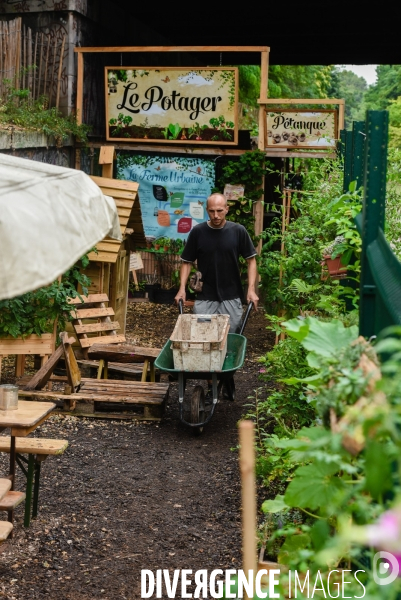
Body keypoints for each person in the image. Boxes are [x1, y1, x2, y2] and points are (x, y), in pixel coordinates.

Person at [174, 193, 259, 333]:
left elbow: (251, 261)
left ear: (227, 209)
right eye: (212, 211)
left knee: (229, 335)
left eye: (219, 211)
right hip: (205, 297)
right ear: (207, 210)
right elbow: (186, 262)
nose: (216, 215)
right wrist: (182, 289)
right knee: (201, 334)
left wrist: (251, 289)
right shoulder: (198, 232)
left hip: (231, 296)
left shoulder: (238, 231)